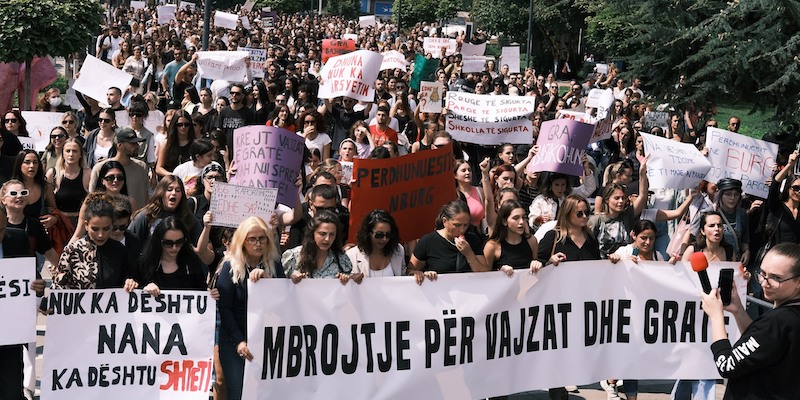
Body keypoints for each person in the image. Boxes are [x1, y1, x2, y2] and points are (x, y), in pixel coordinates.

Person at [700, 242, 800, 400]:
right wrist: (738, 310)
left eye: (776, 278)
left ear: (798, 282)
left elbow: (727, 365)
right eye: (762, 273)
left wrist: (716, 316)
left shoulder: (777, 321)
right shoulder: (787, 318)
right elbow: (764, 346)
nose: (764, 282)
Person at [215, 216, 284, 400]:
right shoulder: (230, 265)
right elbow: (225, 309)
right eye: (252, 239)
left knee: (265, 393)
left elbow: (283, 301)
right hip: (233, 340)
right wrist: (239, 341)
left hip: (265, 339)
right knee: (237, 393)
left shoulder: (275, 264)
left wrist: (268, 280)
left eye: (262, 238)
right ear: (242, 241)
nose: (258, 243)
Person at [674, 211, 733, 400]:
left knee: (708, 362)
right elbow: (679, 280)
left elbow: (731, 281)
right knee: (691, 362)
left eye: (720, 225)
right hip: (693, 314)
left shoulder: (729, 251)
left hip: (717, 315)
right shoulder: (693, 252)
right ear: (702, 230)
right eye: (712, 225)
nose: (717, 229)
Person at [50, 193, 137, 290]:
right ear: (86, 225)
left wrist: (130, 283)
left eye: (106, 229)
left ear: (112, 225)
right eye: (95, 229)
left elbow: (128, 278)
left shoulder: (120, 251)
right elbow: (58, 288)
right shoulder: (72, 250)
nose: (100, 235)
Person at [409, 200, 488, 284]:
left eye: (466, 225)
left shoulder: (472, 240)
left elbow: (485, 275)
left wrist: (469, 254)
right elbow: (411, 270)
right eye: (457, 225)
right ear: (445, 221)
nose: (462, 230)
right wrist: (419, 273)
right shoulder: (428, 241)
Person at [138, 216, 207, 295]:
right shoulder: (146, 263)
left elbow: (202, 291)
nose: (174, 248)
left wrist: (211, 294)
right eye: (168, 243)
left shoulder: (192, 262)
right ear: (159, 241)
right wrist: (145, 288)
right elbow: (134, 289)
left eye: (179, 242)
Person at [282, 210, 353, 283]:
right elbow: (279, 284)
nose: (327, 239)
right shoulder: (293, 256)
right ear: (313, 233)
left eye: (332, 234)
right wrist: (291, 279)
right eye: (322, 234)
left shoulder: (341, 259)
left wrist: (349, 279)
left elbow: (349, 284)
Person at [129, 175, 198, 247]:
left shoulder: (187, 216)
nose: (174, 193)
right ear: (161, 192)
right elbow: (129, 243)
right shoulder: (146, 216)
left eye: (178, 190)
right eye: (169, 189)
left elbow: (202, 244)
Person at [88, 127, 149, 208]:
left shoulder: (141, 167)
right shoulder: (101, 168)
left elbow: (145, 195)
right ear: (120, 145)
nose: (137, 146)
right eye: (132, 143)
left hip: (137, 218)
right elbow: (91, 197)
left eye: (137, 143)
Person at [484, 200, 542, 274]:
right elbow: (485, 276)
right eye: (516, 218)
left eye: (523, 217)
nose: (521, 222)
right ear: (504, 221)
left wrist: (537, 265)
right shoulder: (492, 246)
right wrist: (499, 272)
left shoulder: (532, 241)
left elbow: (536, 273)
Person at [346, 210, 405, 280]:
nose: (384, 239)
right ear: (368, 233)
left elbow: (404, 276)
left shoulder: (398, 250)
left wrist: (413, 273)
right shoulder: (352, 255)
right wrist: (350, 279)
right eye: (379, 235)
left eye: (388, 234)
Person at [45, 138, 90, 227]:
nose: (71, 154)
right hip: (59, 223)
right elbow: (50, 204)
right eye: (68, 151)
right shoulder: (52, 174)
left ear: (81, 154)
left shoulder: (88, 173)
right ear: (62, 154)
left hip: (82, 223)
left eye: (75, 151)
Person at [156, 111, 196, 178]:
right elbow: (159, 168)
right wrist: (174, 176)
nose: (183, 127)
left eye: (186, 124)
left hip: (190, 181)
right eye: (180, 125)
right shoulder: (167, 143)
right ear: (175, 125)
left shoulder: (195, 144)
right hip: (171, 181)